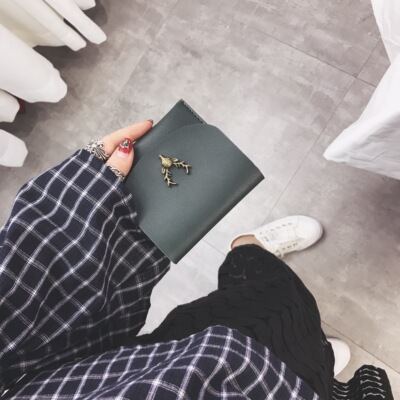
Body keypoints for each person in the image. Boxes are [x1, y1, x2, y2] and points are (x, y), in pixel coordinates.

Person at [0, 121, 393, 400]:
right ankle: (311, 363)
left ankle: (248, 249)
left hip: (168, 369)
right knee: (306, 356)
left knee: (272, 306)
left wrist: (67, 229)